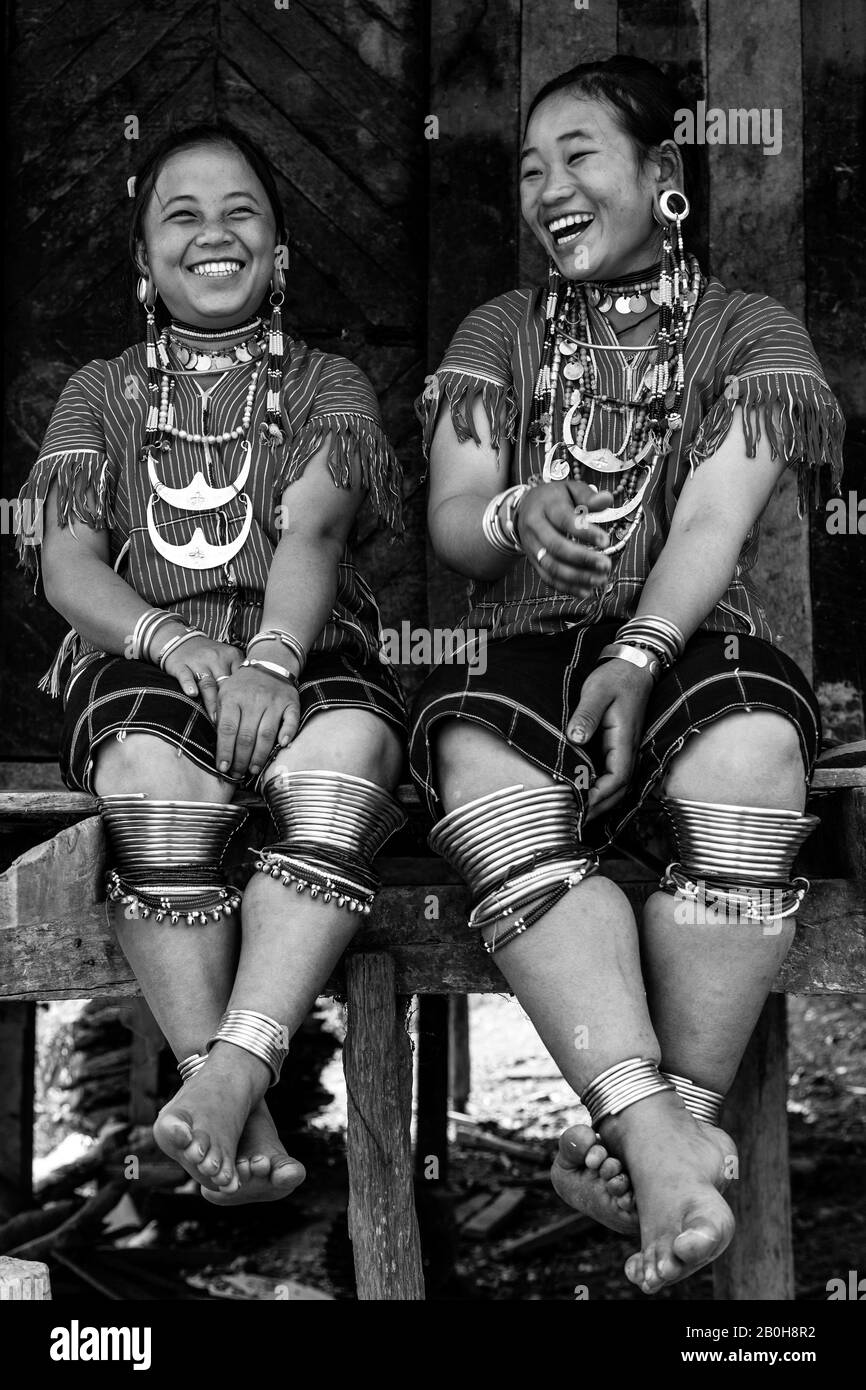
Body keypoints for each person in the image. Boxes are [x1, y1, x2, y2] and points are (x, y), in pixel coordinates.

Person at [410, 56, 844, 1293]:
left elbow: (709, 525)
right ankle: (657, 1137)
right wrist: (507, 515)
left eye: (580, 154)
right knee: (477, 758)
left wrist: (645, 654)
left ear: (661, 177)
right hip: (540, 653)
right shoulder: (497, 334)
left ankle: (632, 1141)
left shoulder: (750, 332)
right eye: (532, 167)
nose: (549, 184)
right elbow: (450, 512)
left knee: (753, 759)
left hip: (708, 642)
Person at [16, 123, 407, 1205]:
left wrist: (272, 659)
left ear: (280, 254)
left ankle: (227, 1075)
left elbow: (314, 532)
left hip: (309, 652)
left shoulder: (331, 385)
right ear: (144, 264)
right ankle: (239, 1108)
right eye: (179, 216)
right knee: (151, 778)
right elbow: (66, 563)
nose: (213, 233)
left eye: (241, 212)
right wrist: (181, 641)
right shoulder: (97, 394)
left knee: (349, 755)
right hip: (145, 657)